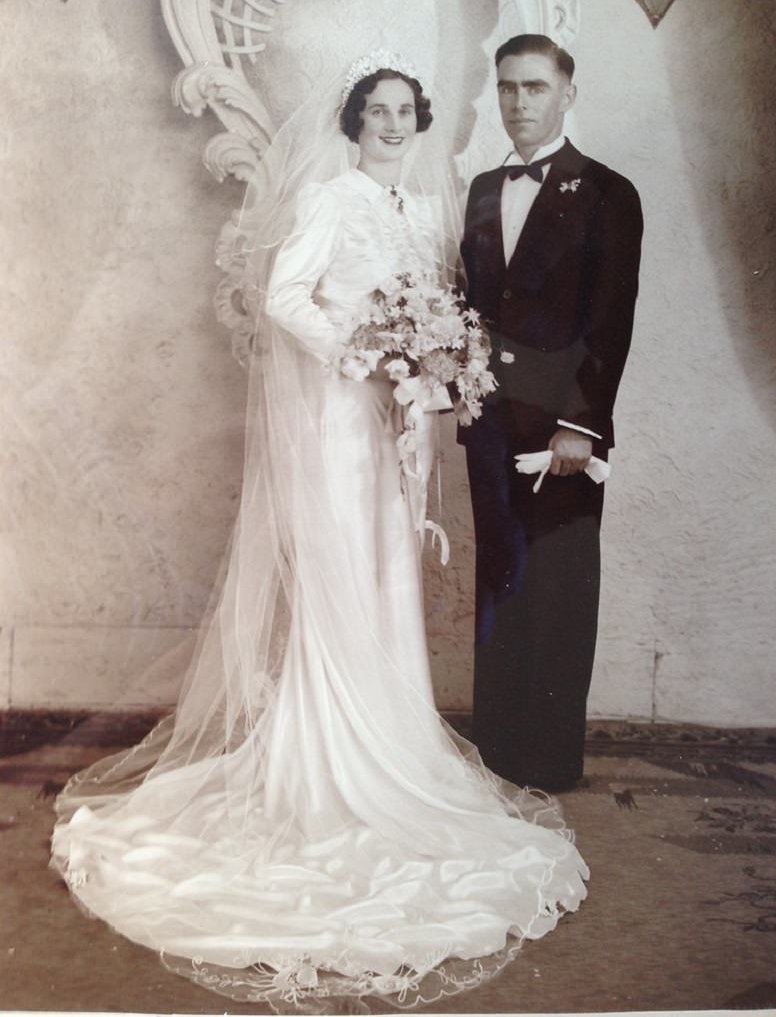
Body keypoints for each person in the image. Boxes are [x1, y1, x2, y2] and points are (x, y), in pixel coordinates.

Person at [51, 52, 588, 1010]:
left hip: (405, 426)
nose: (391, 123)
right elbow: (284, 299)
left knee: (390, 573)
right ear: (351, 123)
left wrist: (430, 363)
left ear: (421, 123)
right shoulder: (330, 202)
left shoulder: (426, 211)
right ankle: (335, 758)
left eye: (404, 111)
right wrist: (365, 356)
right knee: (345, 569)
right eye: (376, 111)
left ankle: (399, 743)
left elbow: (450, 310)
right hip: (344, 418)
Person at [460, 34, 644, 793]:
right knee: (501, 579)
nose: (518, 103)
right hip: (492, 418)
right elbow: (474, 305)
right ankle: (497, 756)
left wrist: (582, 422)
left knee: (560, 587)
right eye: (506, 88)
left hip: (561, 428)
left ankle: (548, 763)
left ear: (568, 93)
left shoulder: (607, 191)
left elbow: (610, 318)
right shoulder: (479, 188)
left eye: (534, 88)